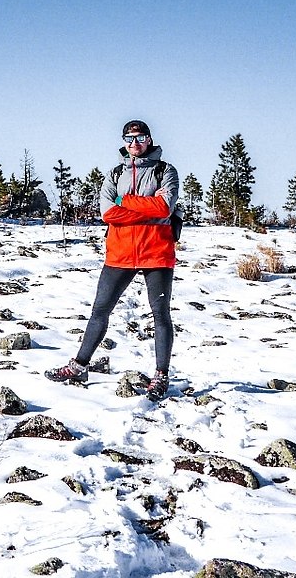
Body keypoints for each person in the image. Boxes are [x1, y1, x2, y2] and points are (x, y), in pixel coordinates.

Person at [45, 119, 180, 401]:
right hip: (119, 254)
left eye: (140, 138)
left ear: (150, 139)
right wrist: (145, 207)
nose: (134, 144)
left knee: (160, 315)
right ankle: (79, 366)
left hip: (157, 252)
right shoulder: (115, 172)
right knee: (99, 311)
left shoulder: (165, 171)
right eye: (129, 139)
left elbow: (165, 206)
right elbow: (108, 213)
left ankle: (161, 376)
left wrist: (125, 201)